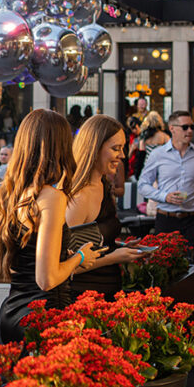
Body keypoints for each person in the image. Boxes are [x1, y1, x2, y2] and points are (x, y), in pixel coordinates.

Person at [0, 110, 102, 342]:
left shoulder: (6, 195)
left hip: (10, 314)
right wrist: (79, 257)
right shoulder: (52, 197)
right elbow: (46, 279)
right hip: (44, 316)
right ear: (62, 146)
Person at [67, 116, 145, 297]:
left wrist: (118, 246)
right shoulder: (80, 196)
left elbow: (91, 243)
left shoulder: (103, 185)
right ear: (94, 148)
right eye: (115, 148)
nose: (123, 155)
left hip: (107, 292)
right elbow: (66, 265)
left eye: (122, 148)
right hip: (84, 298)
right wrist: (115, 256)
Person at [138, 110, 194, 264]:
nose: (189, 131)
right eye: (185, 127)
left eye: (192, 127)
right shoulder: (158, 154)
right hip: (167, 219)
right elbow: (143, 185)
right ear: (172, 128)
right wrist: (164, 196)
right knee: (164, 269)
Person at [132, 110, 170, 179]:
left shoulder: (144, 136)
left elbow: (141, 156)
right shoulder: (164, 136)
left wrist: (137, 173)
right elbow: (170, 152)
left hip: (147, 166)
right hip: (161, 166)